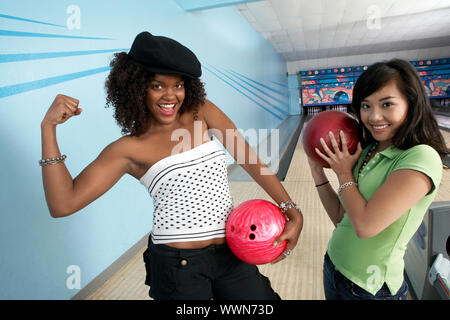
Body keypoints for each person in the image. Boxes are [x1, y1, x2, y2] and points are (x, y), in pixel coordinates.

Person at [40, 31, 303, 300]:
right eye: (157, 85)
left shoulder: (201, 111)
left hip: (230, 252)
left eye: (178, 85)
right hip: (178, 267)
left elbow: (250, 160)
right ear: (136, 88)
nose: (170, 95)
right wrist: (48, 128)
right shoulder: (128, 149)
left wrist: (292, 211)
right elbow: (63, 204)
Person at [307, 58, 448, 300]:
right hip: (334, 267)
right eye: (366, 106)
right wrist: (318, 172)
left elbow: (365, 226)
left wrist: (343, 173)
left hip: (370, 289)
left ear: (411, 104)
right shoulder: (369, 150)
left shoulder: (421, 157)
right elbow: (343, 217)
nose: (374, 116)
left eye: (386, 104)